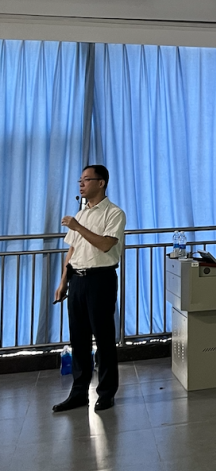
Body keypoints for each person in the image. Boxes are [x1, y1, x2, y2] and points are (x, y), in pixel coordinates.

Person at [53, 164, 126, 412]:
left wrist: (77, 227)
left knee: (104, 338)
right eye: (80, 180)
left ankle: (106, 393)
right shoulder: (82, 214)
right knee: (79, 338)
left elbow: (105, 245)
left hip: (100, 279)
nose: (81, 184)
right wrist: (63, 281)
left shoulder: (114, 213)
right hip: (78, 280)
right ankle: (79, 393)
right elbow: (72, 250)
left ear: (101, 183)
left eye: (86, 180)